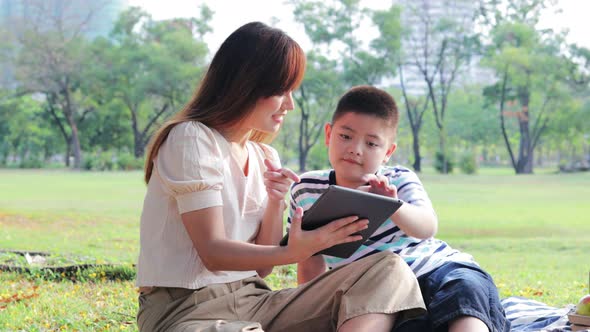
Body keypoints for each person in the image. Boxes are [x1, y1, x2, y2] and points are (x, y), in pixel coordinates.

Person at [135, 22, 425, 332]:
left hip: (255, 302)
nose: (290, 104)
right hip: (185, 311)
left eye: (292, 91)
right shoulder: (191, 138)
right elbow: (213, 252)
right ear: (244, 85)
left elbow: (262, 267)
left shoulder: (264, 157)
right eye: (280, 91)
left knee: (388, 270)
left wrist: (275, 203)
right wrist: (294, 251)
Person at [289, 85, 510, 332]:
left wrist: (392, 205)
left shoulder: (398, 178)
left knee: (465, 301)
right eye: (345, 136)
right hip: (376, 292)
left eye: (372, 143)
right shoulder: (306, 189)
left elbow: (427, 227)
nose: (355, 149)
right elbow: (310, 262)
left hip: (437, 270)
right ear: (329, 134)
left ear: (388, 152)